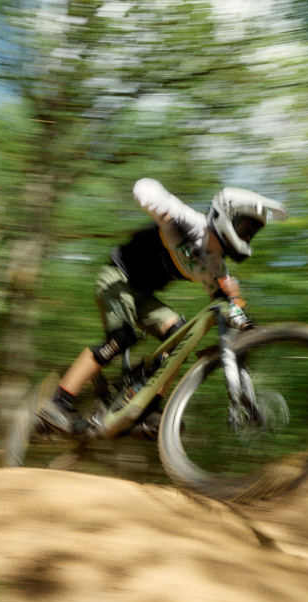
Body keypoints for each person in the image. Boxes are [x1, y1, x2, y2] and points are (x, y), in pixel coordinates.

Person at [37, 178, 288, 435]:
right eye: (245, 227)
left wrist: (245, 324)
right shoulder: (189, 221)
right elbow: (143, 188)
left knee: (180, 336)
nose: (246, 236)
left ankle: (149, 409)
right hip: (116, 278)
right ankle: (57, 403)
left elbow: (229, 304)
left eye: (251, 233)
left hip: (142, 296)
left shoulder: (215, 266)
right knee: (121, 337)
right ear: (227, 214)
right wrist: (166, 215)